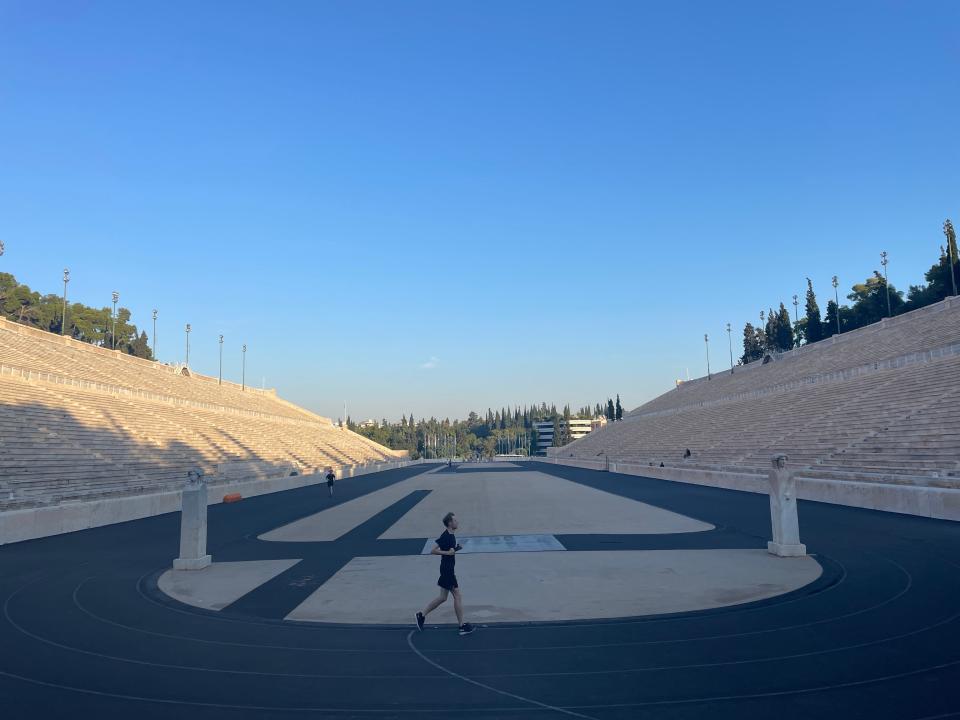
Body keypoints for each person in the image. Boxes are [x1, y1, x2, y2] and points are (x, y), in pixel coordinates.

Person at [415, 511, 474, 636]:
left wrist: (456, 549)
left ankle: (421, 615)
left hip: (447, 569)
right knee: (457, 596)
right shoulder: (446, 536)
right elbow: (433, 550)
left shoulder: (451, 536)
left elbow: (450, 550)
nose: (457, 522)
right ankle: (461, 626)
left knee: (443, 597)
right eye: (455, 520)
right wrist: (448, 553)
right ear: (450, 523)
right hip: (447, 570)